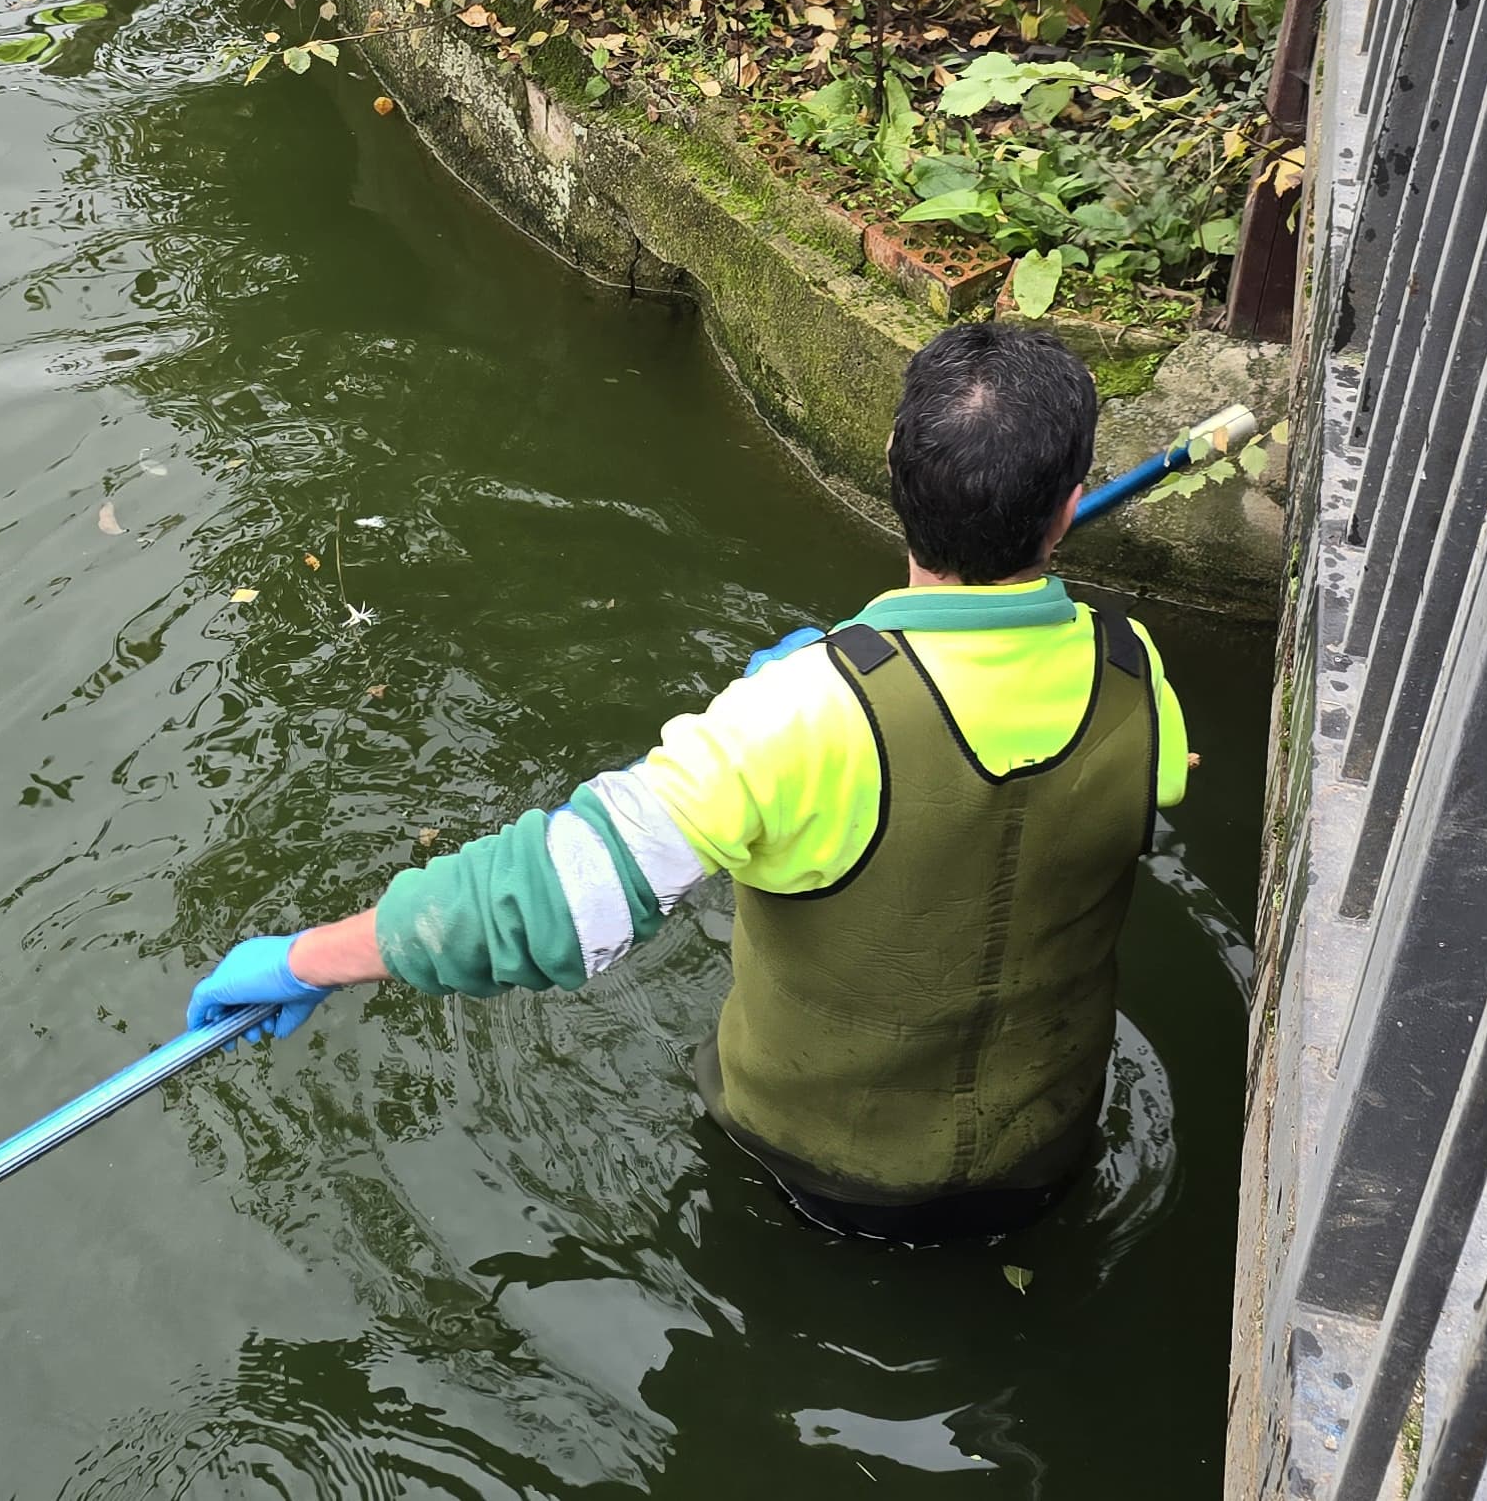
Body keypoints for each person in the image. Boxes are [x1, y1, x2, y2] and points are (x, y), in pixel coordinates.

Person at [184, 322, 1197, 1243]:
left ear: (891, 467)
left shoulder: (793, 718)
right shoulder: (1133, 670)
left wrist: (308, 957)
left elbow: (552, 897)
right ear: (1068, 507)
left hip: (811, 1174)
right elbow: (1148, 781)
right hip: (1045, 1161)